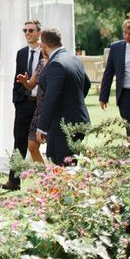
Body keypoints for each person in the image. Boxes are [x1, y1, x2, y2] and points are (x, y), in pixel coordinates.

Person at [36, 28, 91, 166]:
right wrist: (73, 102)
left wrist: (42, 127)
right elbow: (87, 84)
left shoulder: (56, 64)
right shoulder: (74, 59)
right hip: (79, 120)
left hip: (62, 125)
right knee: (72, 166)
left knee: (60, 168)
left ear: (44, 44)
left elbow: (51, 98)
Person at [0, 19, 43, 191]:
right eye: (25, 30)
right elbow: (17, 79)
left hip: (41, 104)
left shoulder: (46, 52)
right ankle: (14, 181)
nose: (27, 33)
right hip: (24, 103)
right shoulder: (21, 53)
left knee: (38, 143)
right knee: (19, 140)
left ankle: (48, 180)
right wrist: (16, 99)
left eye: (31, 30)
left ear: (39, 32)